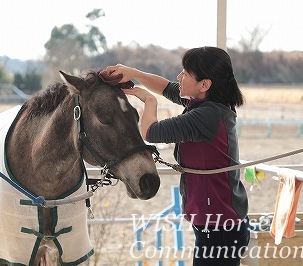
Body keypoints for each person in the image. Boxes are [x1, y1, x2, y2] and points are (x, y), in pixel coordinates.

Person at [106, 46, 249, 266]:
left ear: (204, 84)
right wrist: (133, 73)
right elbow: (166, 88)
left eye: (185, 72)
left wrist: (149, 102)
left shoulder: (207, 115)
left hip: (219, 225)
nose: (179, 76)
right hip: (218, 220)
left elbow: (150, 132)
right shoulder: (206, 103)